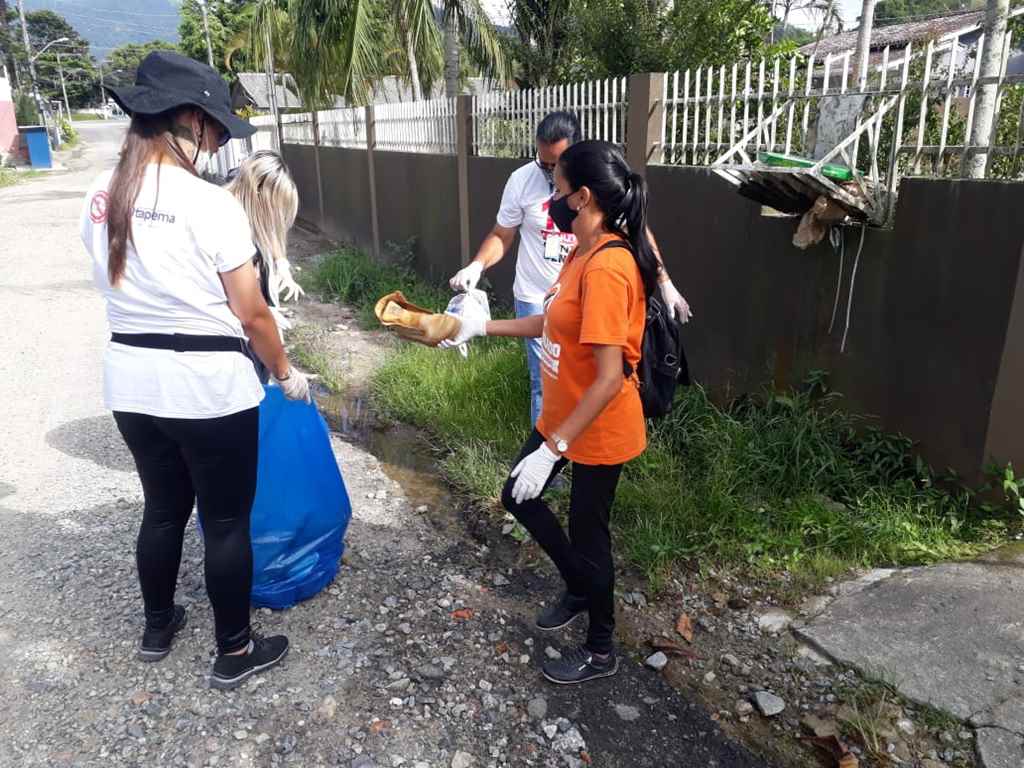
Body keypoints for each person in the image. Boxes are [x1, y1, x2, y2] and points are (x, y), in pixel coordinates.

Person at [80, 51, 310, 690]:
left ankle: (159, 625)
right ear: (187, 120)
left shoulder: (99, 195)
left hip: (130, 381)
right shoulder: (208, 204)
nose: (215, 143)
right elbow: (253, 313)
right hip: (207, 390)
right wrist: (285, 371)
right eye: (213, 127)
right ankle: (233, 651)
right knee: (226, 521)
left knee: (161, 509)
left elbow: (109, 282)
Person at [442, 140, 657, 684]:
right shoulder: (580, 250)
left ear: (584, 197)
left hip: (598, 427)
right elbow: (551, 323)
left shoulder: (609, 265)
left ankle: (602, 648)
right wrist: (480, 327)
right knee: (518, 494)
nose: (549, 202)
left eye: (557, 191)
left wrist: (555, 450)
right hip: (562, 414)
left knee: (591, 536)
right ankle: (579, 586)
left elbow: (609, 378)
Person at [448, 111, 692, 428]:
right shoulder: (522, 180)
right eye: (544, 164)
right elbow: (502, 233)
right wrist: (477, 265)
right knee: (546, 380)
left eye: (557, 167)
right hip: (538, 294)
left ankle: (570, 446)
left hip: (587, 299)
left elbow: (637, 230)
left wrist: (665, 281)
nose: (550, 176)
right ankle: (549, 454)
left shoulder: (601, 200)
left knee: (587, 378)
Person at [226, 150, 304, 382]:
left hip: (254, 332)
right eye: (274, 207)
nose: (275, 216)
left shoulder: (251, 207)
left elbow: (269, 229)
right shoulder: (224, 222)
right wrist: (259, 314)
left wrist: (282, 265)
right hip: (231, 347)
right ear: (259, 191)